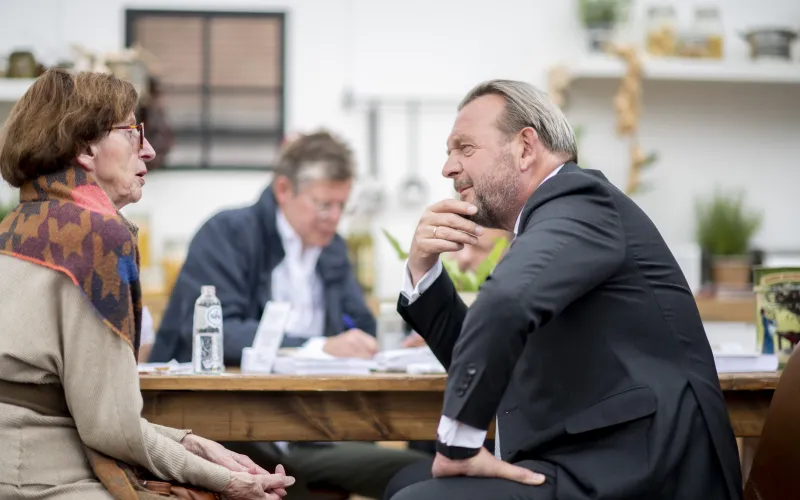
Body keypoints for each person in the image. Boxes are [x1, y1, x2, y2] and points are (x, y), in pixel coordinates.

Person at [384, 79, 743, 500]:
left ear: (525, 147)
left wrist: (459, 443)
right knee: (403, 484)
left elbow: (504, 305)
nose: (448, 168)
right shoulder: (547, 223)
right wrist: (422, 270)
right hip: (581, 455)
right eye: (448, 152)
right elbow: (490, 348)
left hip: (637, 470)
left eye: (465, 148)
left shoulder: (579, 200)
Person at [0, 69, 294, 500]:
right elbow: (111, 428)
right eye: (134, 133)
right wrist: (226, 480)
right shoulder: (96, 237)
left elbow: (88, 412)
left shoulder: (18, 222)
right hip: (44, 479)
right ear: (85, 147)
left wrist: (193, 444)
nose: (150, 150)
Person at [149, 130, 428, 499]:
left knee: (423, 474)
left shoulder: (332, 250)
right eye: (322, 204)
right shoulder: (229, 233)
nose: (333, 217)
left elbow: (360, 324)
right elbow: (220, 333)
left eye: (342, 206)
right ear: (284, 190)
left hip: (313, 429)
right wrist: (318, 347)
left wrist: (386, 347)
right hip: (226, 429)